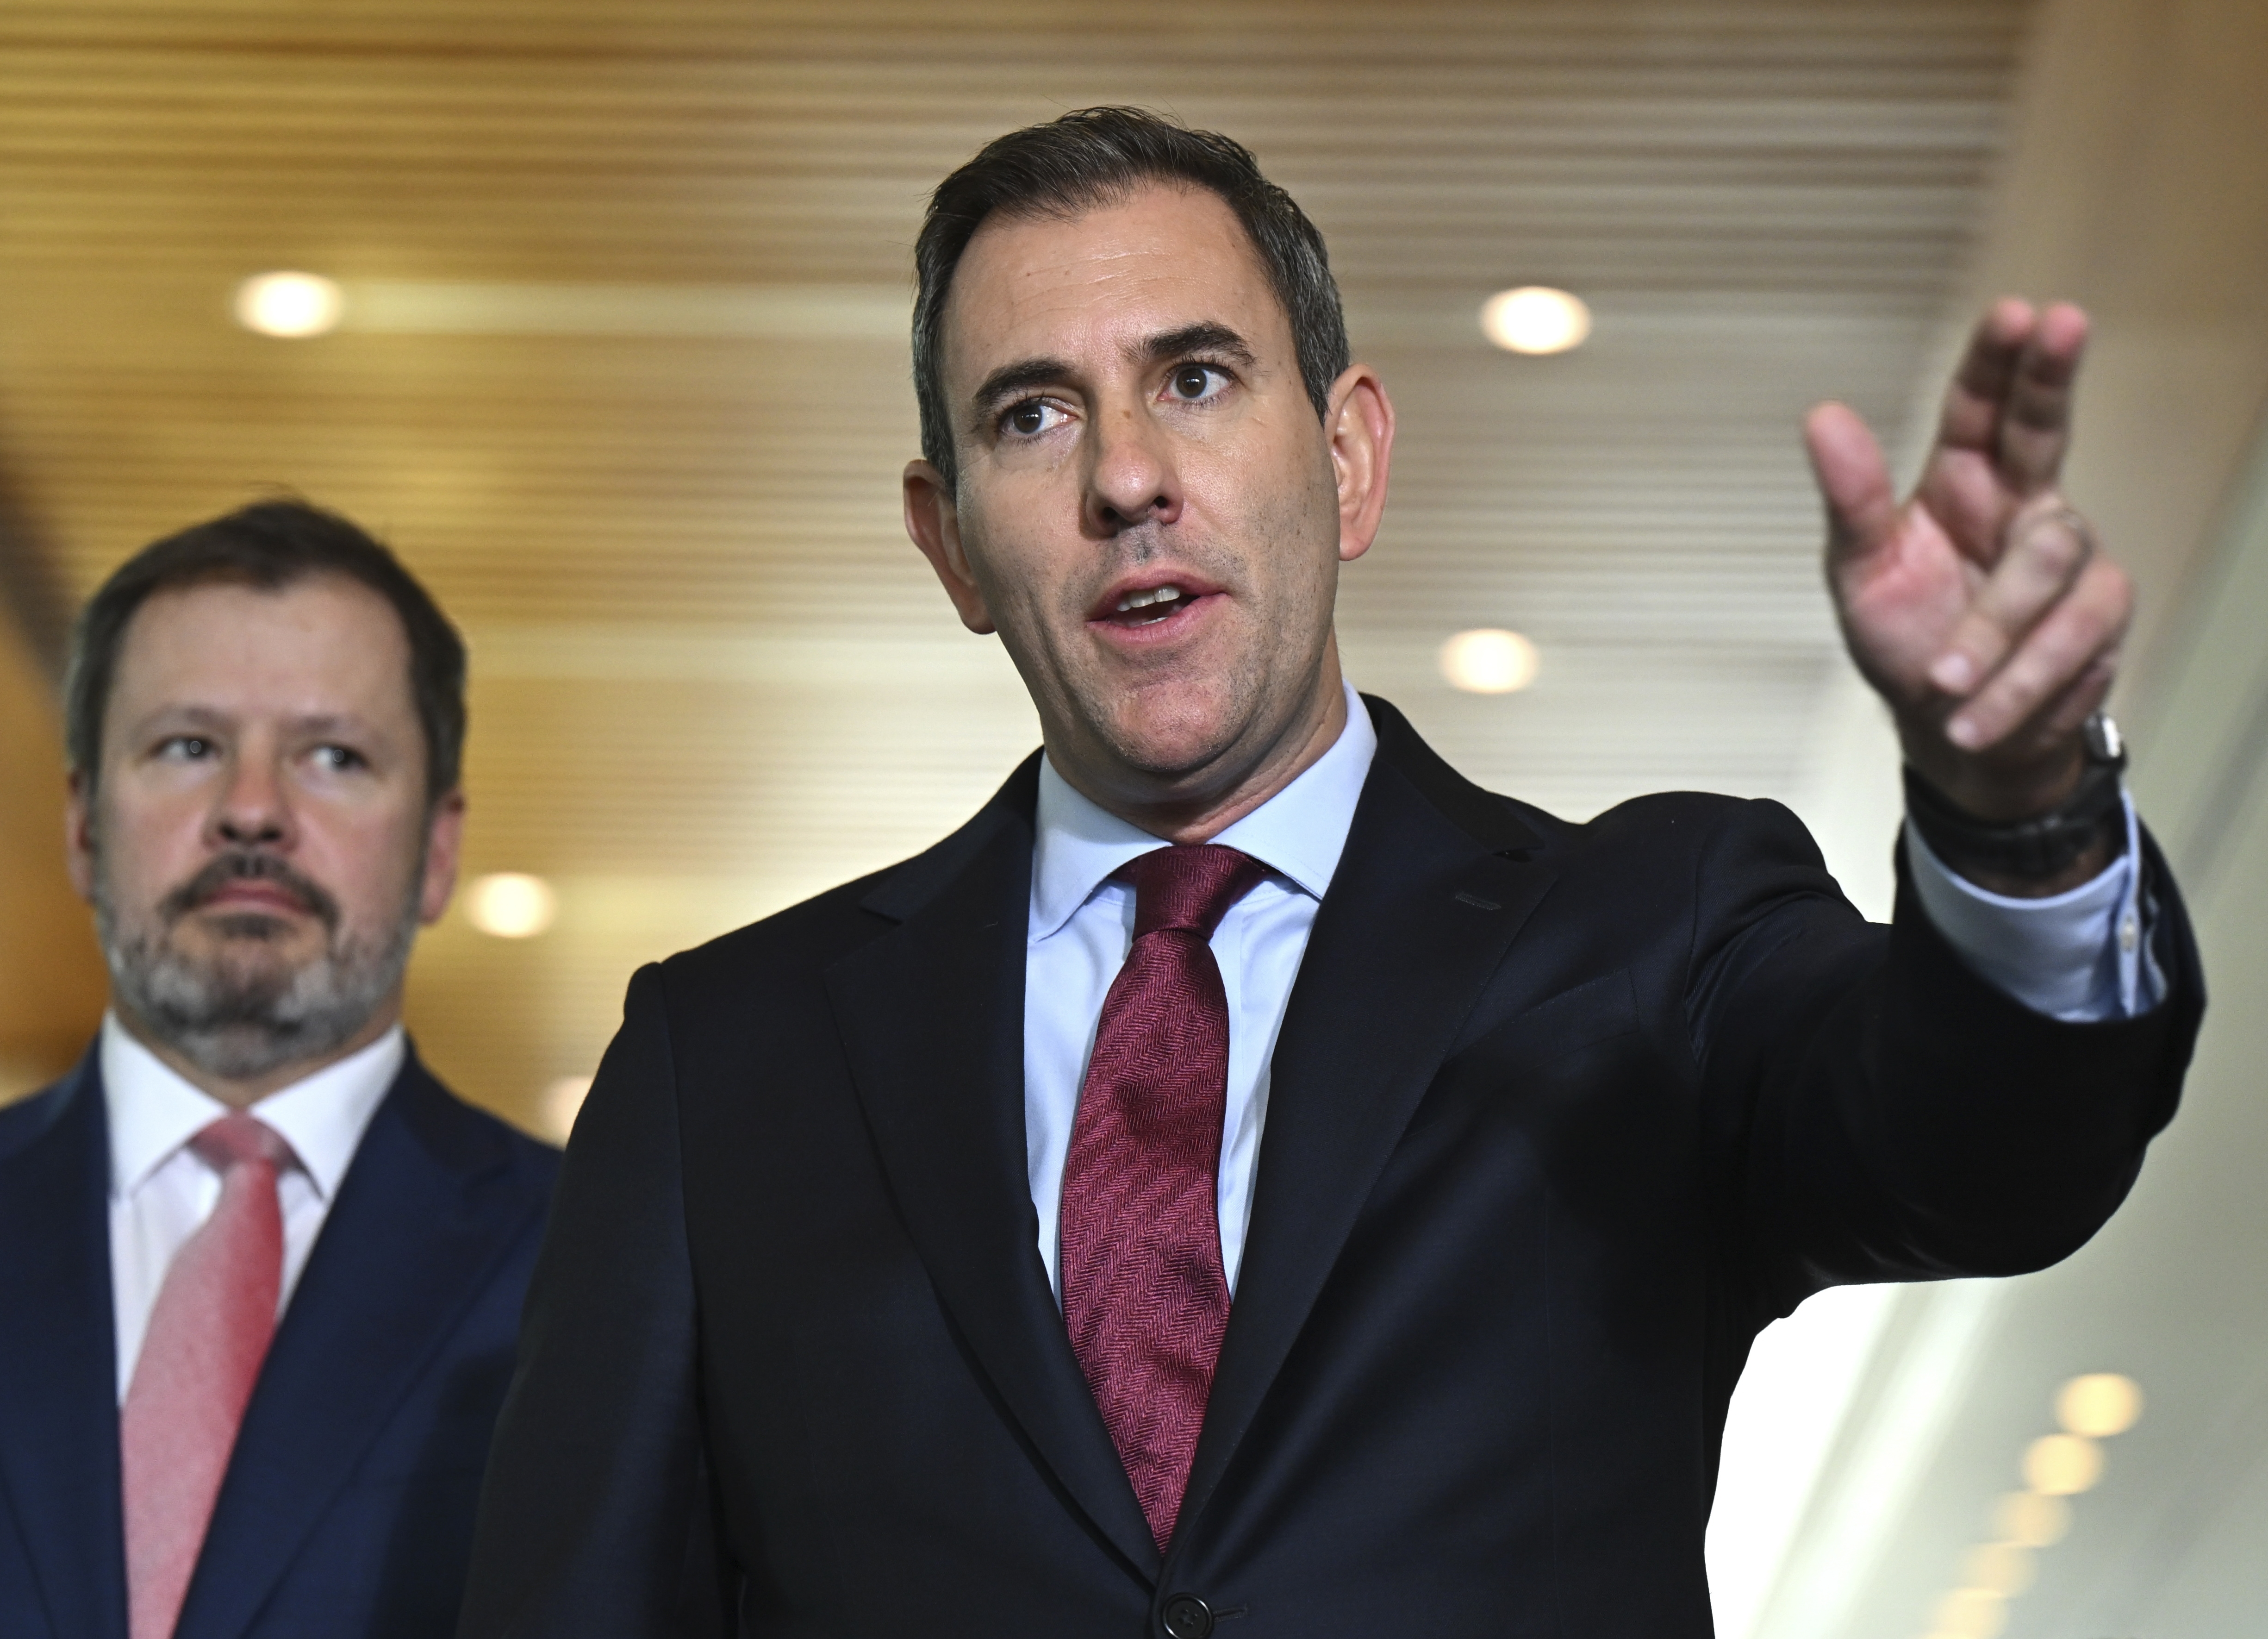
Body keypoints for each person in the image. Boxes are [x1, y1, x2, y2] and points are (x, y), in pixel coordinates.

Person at [458, 109, 2203, 1638]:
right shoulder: (726, 1063)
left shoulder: (1646, 937)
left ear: (1350, 455)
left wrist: (2016, 807)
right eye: (1032, 417)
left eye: (1194, 380)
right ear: (951, 545)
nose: (1128, 478)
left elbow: (1995, 1154)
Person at [0, 501, 560, 1639]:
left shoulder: (598, 1267)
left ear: (439, 850)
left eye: (334, 756)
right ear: (81, 826)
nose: (251, 811)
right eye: (188, 747)